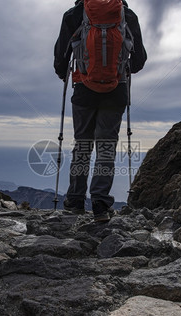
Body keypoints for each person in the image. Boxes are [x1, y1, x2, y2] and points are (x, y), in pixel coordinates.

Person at [54, 0, 147, 222]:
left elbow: (60, 58)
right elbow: (139, 60)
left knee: (82, 145)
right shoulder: (127, 15)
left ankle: (75, 201)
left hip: (84, 90)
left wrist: (68, 72)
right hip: (116, 92)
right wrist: (121, 69)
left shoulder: (74, 14)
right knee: (106, 148)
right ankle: (100, 205)